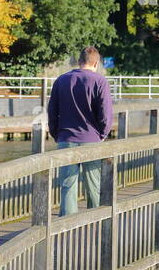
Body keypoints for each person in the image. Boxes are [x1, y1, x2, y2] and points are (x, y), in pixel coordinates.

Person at [47, 46, 114, 216]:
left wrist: (57, 134)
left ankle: (68, 224)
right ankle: (95, 218)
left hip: (66, 138)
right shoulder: (100, 81)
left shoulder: (61, 80)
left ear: (79, 61)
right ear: (96, 63)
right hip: (92, 139)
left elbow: (52, 112)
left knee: (68, 185)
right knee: (94, 184)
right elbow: (105, 114)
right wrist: (102, 134)